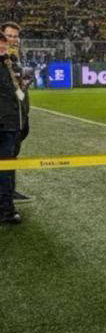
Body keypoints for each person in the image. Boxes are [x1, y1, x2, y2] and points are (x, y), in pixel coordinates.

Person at [1, 21, 32, 206]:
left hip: (18, 116)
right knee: (5, 158)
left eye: (15, 36)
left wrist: (24, 82)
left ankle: (9, 191)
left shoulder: (15, 57)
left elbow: (18, 88)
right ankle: (5, 200)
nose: (12, 39)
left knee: (12, 156)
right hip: (6, 119)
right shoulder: (3, 59)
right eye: (9, 36)